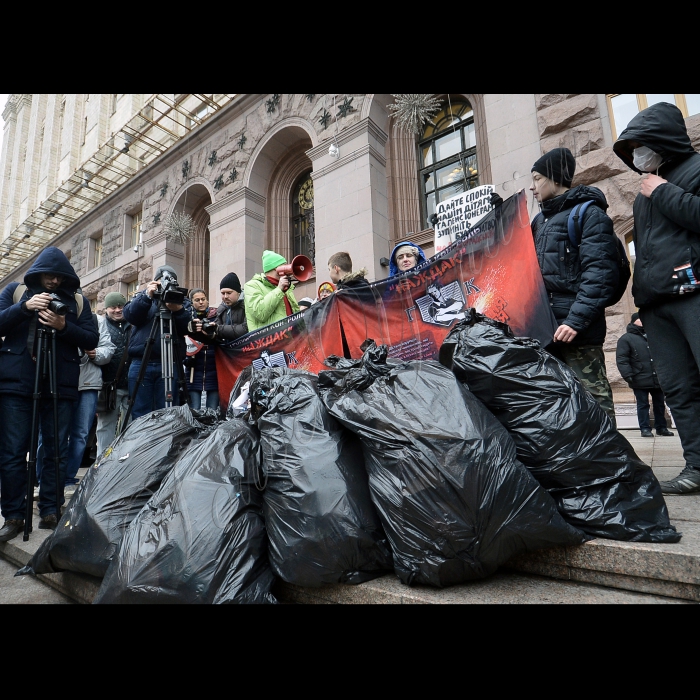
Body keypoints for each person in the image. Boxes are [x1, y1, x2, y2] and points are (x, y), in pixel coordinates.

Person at [613, 101, 700, 493]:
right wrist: (642, 300)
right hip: (656, 305)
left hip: (693, 293)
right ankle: (697, 467)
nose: (636, 156)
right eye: (630, 149)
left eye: (639, 145)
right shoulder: (642, 193)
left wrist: (664, 192)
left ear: (661, 139)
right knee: (679, 389)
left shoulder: (692, 172)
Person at [0, 247, 98, 540]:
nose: (54, 282)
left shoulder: (78, 301)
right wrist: (24, 308)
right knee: (13, 452)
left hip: (60, 384)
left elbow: (92, 338)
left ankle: (51, 510)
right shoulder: (16, 292)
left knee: (56, 450)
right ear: (37, 273)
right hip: (17, 383)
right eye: (49, 276)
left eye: (59, 277)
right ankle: (14, 516)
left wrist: (64, 325)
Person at [530, 147, 619, 426]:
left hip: (576, 330)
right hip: (546, 329)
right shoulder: (538, 222)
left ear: (555, 178)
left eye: (536, 178)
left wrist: (576, 320)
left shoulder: (588, 214)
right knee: (556, 405)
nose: (532, 187)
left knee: (594, 402)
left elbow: (599, 273)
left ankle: (613, 465)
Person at [123, 266, 191, 422]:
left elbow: (188, 328)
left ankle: (166, 444)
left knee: (168, 413)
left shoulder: (181, 301)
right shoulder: (144, 296)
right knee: (140, 413)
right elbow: (130, 315)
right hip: (141, 363)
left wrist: (178, 310)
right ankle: (141, 445)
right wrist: (147, 296)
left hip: (170, 363)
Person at [616, 312, 674, 439]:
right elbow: (622, 359)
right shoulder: (626, 339)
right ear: (633, 321)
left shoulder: (655, 336)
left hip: (657, 378)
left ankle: (661, 427)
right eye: (640, 319)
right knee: (642, 404)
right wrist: (628, 375)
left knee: (659, 404)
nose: (643, 321)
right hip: (639, 378)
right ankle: (645, 428)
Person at [96, 292, 132, 457]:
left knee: (131, 426)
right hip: (109, 386)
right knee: (105, 426)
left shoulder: (133, 324)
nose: (118, 310)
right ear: (106, 308)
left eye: (121, 306)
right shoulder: (100, 326)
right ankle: (102, 462)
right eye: (113, 307)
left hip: (131, 385)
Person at [244, 251, 300, 331]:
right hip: (271, 341)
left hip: (293, 339)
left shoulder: (286, 288)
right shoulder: (252, 285)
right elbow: (260, 313)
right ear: (275, 268)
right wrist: (279, 289)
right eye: (283, 265)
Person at [184, 288, 220, 411]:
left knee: (213, 410)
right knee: (194, 409)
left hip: (213, 368)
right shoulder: (188, 318)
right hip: (193, 370)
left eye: (203, 299)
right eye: (197, 300)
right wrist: (186, 358)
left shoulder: (216, 316)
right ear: (191, 302)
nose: (201, 302)